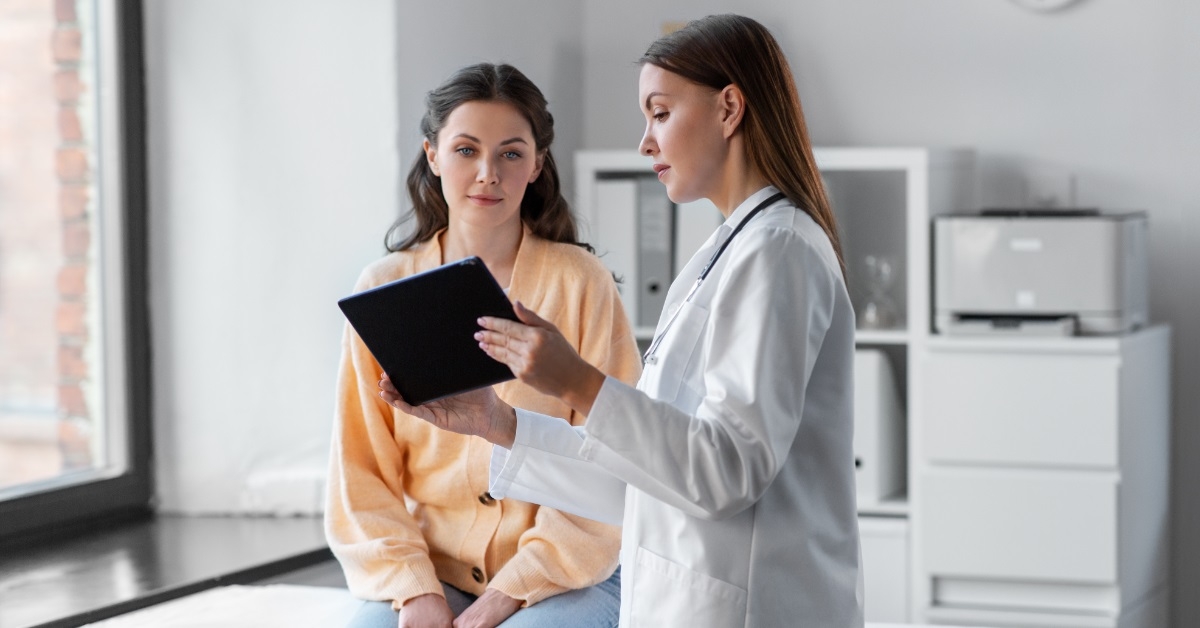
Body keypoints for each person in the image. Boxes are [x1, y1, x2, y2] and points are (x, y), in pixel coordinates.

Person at [381, 15, 864, 628]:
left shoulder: (778, 251)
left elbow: (726, 473)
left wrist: (576, 381)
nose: (645, 142)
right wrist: (497, 422)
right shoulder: (729, 251)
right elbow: (644, 481)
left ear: (730, 107)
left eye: (660, 113)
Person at [328, 63, 642, 628]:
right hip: (432, 571)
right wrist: (413, 588)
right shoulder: (383, 289)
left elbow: (619, 455)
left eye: (511, 153)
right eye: (467, 150)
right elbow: (359, 474)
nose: (488, 174)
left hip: (569, 571)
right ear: (432, 155)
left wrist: (510, 593)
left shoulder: (581, 282)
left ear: (539, 164)